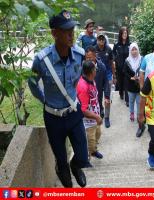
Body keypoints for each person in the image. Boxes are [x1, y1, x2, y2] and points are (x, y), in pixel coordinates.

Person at [28, 10, 90, 188]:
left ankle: (76, 166)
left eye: (72, 29)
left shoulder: (79, 54)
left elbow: (77, 78)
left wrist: (71, 96)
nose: (71, 34)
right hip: (53, 117)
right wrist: (45, 100)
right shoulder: (41, 60)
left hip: (73, 112)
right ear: (54, 33)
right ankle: (63, 172)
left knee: (82, 155)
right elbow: (32, 82)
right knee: (61, 159)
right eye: (65, 30)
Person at [77, 61, 104, 160]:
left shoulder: (92, 80)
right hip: (87, 122)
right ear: (92, 71)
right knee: (90, 141)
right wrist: (97, 117)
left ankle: (93, 151)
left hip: (95, 117)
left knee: (98, 134)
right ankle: (86, 158)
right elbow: (83, 110)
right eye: (95, 69)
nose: (96, 71)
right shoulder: (83, 87)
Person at [124, 42, 145, 137]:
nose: (134, 51)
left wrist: (140, 78)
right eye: (132, 49)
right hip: (130, 85)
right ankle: (131, 113)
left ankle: (138, 115)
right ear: (130, 51)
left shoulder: (142, 59)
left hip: (139, 85)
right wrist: (131, 78)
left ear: (138, 50)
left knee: (139, 102)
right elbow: (125, 72)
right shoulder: (127, 60)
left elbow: (144, 70)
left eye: (135, 49)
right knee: (131, 101)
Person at [95, 32, 115, 128]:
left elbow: (112, 63)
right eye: (99, 39)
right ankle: (100, 110)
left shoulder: (108, 49)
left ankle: (107, 117)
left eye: (103, 39)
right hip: (97, 76)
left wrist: (114, 77)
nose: (101, 41)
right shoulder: (94, 49)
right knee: (97, 97)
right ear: (97, 40)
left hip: (108, 75)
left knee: (107, 97)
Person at [85, 46, 110, 120]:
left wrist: (107, 96)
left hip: (98, 94)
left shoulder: (102, 67)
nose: (88, 60)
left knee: (99, 107)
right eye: (87, 58)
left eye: (90, 57)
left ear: (95, 56)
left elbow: (106, 82)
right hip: (87, 97)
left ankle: (104, 116)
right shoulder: (84, 67)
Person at [113, 26, 130, 106]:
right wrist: (115, 59)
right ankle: (120, 93)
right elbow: (113, 54)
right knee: (120, 82)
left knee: (127, 82)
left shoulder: (129, 45)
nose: (124, 34)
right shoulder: (117, 44)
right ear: (120, 34)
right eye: (123, 33)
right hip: (119, 67)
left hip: (127, 68)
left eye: (126, 33)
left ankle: (127, 100)